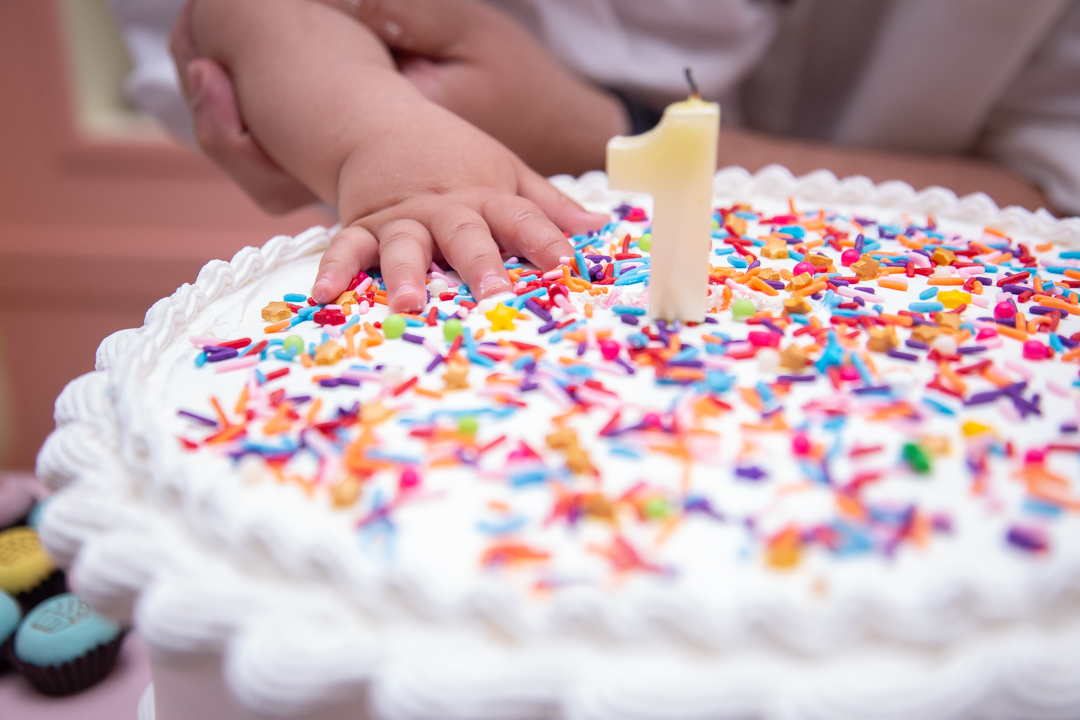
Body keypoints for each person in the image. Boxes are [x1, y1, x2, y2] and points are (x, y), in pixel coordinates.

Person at [108, 0, 1080, 307]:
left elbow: (1052, 197)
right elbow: (250, 12)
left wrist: (585, 135)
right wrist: (382, 137)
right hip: (466, 281)